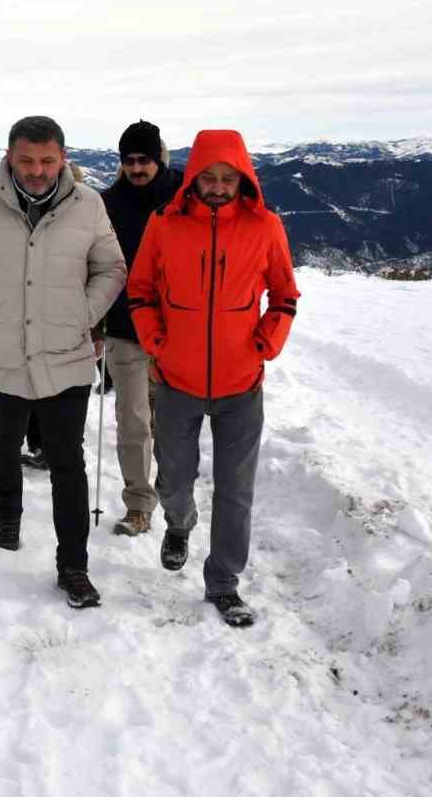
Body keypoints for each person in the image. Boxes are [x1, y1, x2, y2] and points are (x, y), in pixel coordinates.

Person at [0, 116, 126, 609]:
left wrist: (83, 313)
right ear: (10, 158)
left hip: (66, 355)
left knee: (68, 462)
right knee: (5, 441)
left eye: (47, 160)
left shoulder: (88, 205)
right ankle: (9, 515)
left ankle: (74, 567)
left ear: (62, 157)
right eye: (26, 160)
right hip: (1, 354)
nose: (37, 171)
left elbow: (110, 267)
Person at [126, 129, 299, 627]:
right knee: (174, 479)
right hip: (176, 381)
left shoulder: (265, 226)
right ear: (193, 178)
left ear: (243, 180)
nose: (219, 186)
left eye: (229, 178)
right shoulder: (164, 223)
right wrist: (157, 342)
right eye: (210, 177)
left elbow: (284, 295)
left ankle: (223, 581)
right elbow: (140, 290)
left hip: (241, 385)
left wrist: (268, 341)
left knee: (235, 490)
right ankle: (179, 525)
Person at [99, 120, 185, 537]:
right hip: (124, 326)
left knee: (170, 420)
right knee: (132, 421)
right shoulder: (107, 203)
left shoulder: (186, 196)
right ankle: (138, 505)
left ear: (158, 158)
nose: (136, 168)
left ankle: (173, 491)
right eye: (129, 160)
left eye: (144, 160)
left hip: (177, 329)